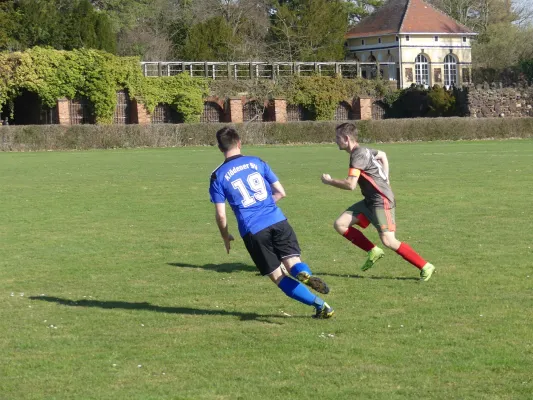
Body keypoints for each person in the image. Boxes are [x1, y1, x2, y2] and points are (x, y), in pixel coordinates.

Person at [209, 127, 334, 318]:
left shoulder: (217, 176)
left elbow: (221, 215)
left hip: (253, 230)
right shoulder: (257, 162)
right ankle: (304, 274)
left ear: (220, 148)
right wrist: (265, 205)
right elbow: (281, 192)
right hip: (277, 220)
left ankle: (321, 306)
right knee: (293, 263)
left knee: (278, 276)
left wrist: (225, 236)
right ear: (239, 142)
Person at [321, 122, 435, 281]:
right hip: (370, 200)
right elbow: (382, 155)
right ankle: (373, 251)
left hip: (381, 201)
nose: (335, 141)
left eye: (337, 138)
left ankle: (425, 265)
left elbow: (350, 184)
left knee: (389, 240)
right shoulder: (364, 150)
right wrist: (386, 178)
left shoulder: (357, 155)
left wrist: (330, 181)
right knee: (340, 224)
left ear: (346, 138)